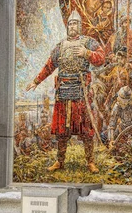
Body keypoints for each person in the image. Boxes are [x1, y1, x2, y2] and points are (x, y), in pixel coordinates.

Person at [26, 10, 105, 173]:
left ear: (80, 26)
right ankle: (60, 161)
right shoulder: (60, 46)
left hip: (81, 91)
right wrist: (36, 81)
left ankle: (90, 162)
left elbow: (101, 58)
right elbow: (49, 66)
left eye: (75, 23)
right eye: (70, 23)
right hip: (63, 92)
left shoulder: (88, 42)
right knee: (62, 131)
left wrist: (87, 53)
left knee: (86, 129)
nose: (72, 26)